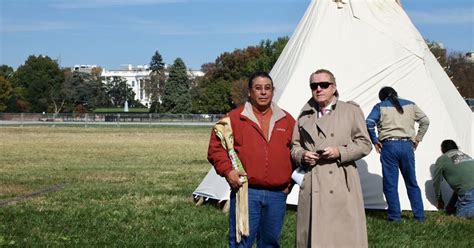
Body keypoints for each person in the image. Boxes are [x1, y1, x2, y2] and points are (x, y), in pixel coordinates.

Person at [207, 71, 295, 247]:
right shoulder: (234, 118)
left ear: (273, 91)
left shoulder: (287, 120)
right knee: (241, 242)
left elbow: (297, 151)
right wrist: (228, 171)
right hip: (246, 192)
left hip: (277, 194)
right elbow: (216, 149)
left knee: (270, 242)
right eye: (258, 88)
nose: (263, 92)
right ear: (249, 92)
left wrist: (290, 182)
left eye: (267, 88)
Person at [291, 69, 372, 247]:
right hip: (313, 182)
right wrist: (303, 156)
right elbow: (294, 146)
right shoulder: (304, 114)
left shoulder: (350, 111)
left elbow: (365, 144)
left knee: (341, 235)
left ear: (334, 88)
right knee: (313, 234)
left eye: (324, 85)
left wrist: (340, 152)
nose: (318, 89)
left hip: (341, 180)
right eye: (314, 86)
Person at [366, 86, 429, 222]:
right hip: (407, 145)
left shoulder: (380, 106)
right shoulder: (411, 104)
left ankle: (395, 217)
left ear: (382, 97)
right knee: (412, 182)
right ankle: (419, 217)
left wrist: (375, 140)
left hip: (389, 146)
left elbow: (369, 122)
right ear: (395, 94)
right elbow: (425, 121)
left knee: (390, 184)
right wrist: (418, 139)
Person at [433, 139, 474, 219]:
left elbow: (436, 182)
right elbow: (460, 186)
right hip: (469, 191)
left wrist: (439, 200)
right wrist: (450, 206)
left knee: (460, 217)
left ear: (442, 150)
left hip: (469, 194)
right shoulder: (466, 156)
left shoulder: (442, 159)